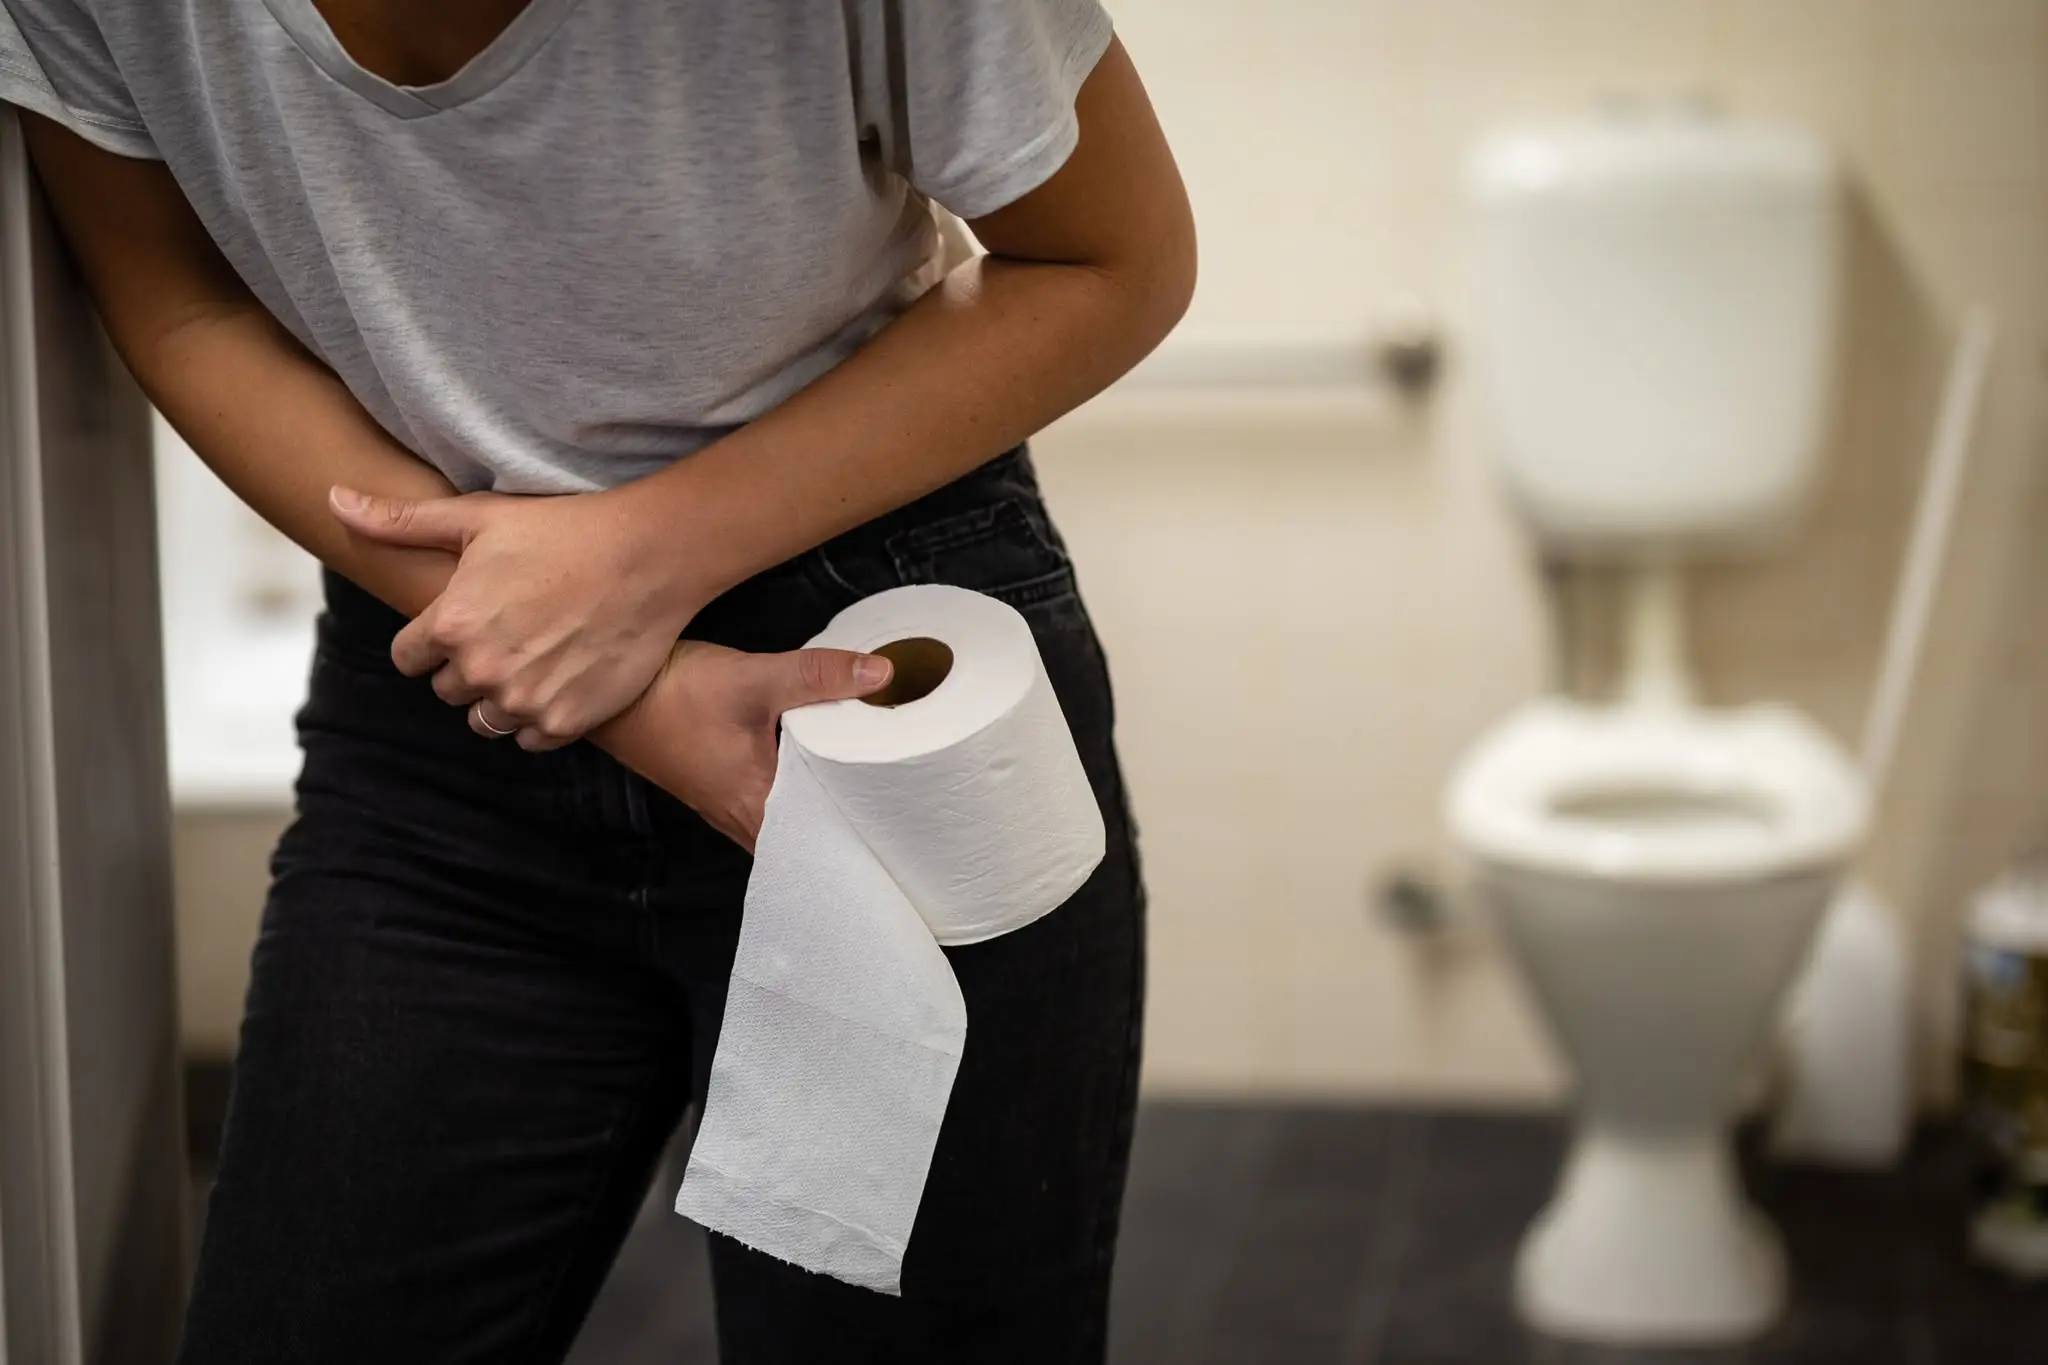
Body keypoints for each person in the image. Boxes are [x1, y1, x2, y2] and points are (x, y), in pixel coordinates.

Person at [0, 2, 1193, 1360]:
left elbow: (1116, 259)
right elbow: (187, 301)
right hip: (447, 706)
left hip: (870, 679)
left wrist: (642, 563)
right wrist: (617, 678)